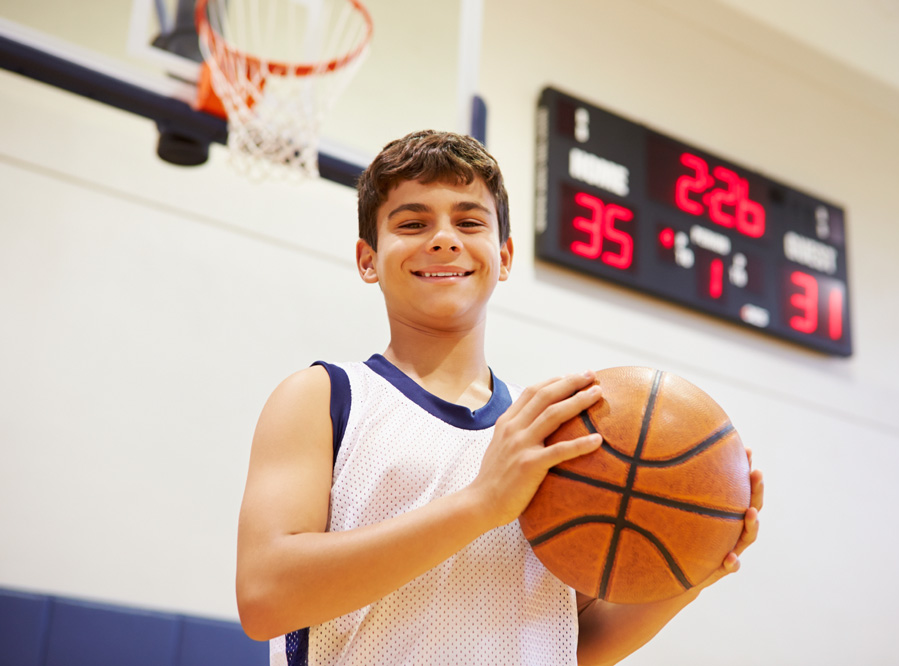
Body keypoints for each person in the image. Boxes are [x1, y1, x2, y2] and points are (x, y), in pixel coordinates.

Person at [236, 130, 764, 666]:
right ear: (368, 259)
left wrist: (694, 566)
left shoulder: (552, 432)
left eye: (469, 222)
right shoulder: (324, 397)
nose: (444, 239)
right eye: (413, 223)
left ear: (504, 256)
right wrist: (481, 504)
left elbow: (570, 643)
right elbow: (265, 598)